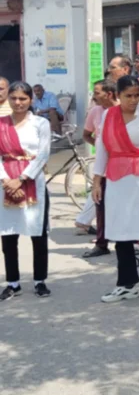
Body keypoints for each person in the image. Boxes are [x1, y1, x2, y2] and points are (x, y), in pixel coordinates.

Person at [93, 76, 139, 307]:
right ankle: (127, 284)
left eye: (137, 95)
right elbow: (102, 151)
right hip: (117, 181)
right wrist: (97, 182)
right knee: (121, 233)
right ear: (117, 95)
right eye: (128, 96)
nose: (134, 100)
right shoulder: (108, 115)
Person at [0, 81, 52, 300]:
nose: (18, 102)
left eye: (23, 98)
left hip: (33, 182)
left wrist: (21, 179)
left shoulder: (40, 123)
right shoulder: (1, 123)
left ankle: (40, 280)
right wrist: (6, 181)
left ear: (31, 100)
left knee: (37, 234)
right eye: (14, 98)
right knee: (9, 236)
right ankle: (13, 282)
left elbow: (43, 154)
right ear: (8, 99)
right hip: (5, 184)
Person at [80, 80, 120, 254]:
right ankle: (101, 243)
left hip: (123, 167)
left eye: (97, 93)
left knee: (124, 205)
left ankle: (132, 242)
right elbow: (86, 134)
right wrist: (100, 146)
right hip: (103, 167)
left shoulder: (123, 110)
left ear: (109, 94)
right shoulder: (95, 112)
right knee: (101, 204)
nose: (94, 96)